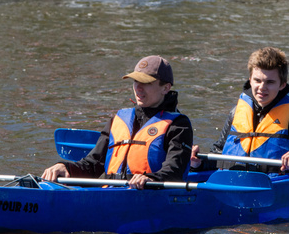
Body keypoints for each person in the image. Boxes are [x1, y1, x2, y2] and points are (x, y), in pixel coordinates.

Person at [190, 47, 289, 182]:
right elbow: (218, 157)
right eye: (257, 80)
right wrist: (197, 163)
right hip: (230, 186)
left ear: (282, 84)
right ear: (250, 80)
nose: (262, 88)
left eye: (270, 82)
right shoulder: (236, 112)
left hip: (275, 191)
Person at [42, 56, 193, 189]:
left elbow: (175, 169)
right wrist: (66, 167)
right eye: (135, 81)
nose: (138, 87)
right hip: (111, 192)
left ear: (165, 88)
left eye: (146, 82)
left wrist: (152, 178)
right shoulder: (118, 120)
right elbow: (93, 164)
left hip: (148, 193)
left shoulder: (178, 125)